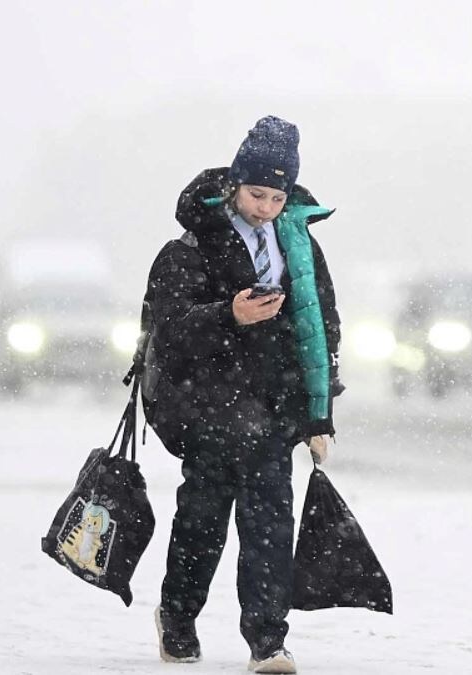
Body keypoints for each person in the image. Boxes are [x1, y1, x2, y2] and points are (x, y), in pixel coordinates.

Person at [147, 116, 343, 674]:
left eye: (278, 197)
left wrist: (318, 415)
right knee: (200, 525)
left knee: (269, 529)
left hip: (273, 412)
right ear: (234, 185)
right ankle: (178, 620)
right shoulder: (192, 246)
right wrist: (228, 315)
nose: (266, 207)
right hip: (207, 410)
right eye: (257, 193)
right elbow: (171, 328)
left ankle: (267, 642)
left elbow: (320, 329)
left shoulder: (301, 248)